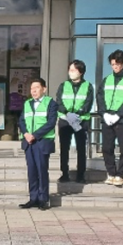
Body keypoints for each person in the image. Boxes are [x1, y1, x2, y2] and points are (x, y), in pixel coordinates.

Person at [96, 50, 123, 187]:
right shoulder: (107, 79)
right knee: (107, 148)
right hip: (107, 117)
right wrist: (103, 113)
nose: (115, 67)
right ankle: (111, 173)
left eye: (118, 64)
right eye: (113, 64)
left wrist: (119, 114)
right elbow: (100, 97)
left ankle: (120, 174)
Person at [18, 79, 58, 211]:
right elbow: (21, 121)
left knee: (42, 170)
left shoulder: (50, 103)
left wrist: (34, 135)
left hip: (42, 142)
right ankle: (33, 198)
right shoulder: (27, 103)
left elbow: (51, 123)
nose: (33, 91)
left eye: (36, 87)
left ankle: (43, 199)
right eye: (31, 88)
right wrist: (26, 134)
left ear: (44, 89)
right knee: (32, 171)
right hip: (29, 142)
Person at [55, 60, 94, 183]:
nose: (70, 73)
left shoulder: (88, 86)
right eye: (70, 70)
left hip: (81, 121)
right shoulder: (63, 85)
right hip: (65, 120)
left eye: (73, 70)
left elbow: (88, 104)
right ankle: (64, 173)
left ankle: (81, 175)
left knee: (81, 148)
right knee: (64, 148)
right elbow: (59, 102)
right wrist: (67, 113)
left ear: (80, 72)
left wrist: (77, 115)